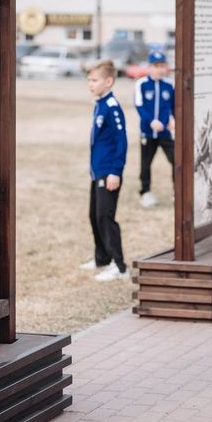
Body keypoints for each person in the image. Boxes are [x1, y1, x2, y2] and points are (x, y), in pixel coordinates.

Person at [81, 59, 128, 281]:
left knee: (105, 216)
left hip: (109, 171)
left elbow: (121, 141)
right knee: (94, 215)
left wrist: (115, 171)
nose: (90, 83)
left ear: (108, 81)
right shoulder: (99, 103)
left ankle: (119, 266)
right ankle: (102, 258)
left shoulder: (111, 107)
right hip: (97, 171)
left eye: (94, 79)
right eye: (89, 79)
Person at [134, 50, 175, 208]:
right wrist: (151, 121)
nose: (159, 69)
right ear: (150, 67)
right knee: (146, 163)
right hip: (148, 132)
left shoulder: (169, 84)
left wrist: (173, 120)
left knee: (176, 160)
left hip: (166, 133)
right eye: (156, 66)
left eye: (162, 66)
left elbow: (174, 106)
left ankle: (176, 192)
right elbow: (139, 106)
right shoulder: (141, 84)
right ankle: (145, 193)